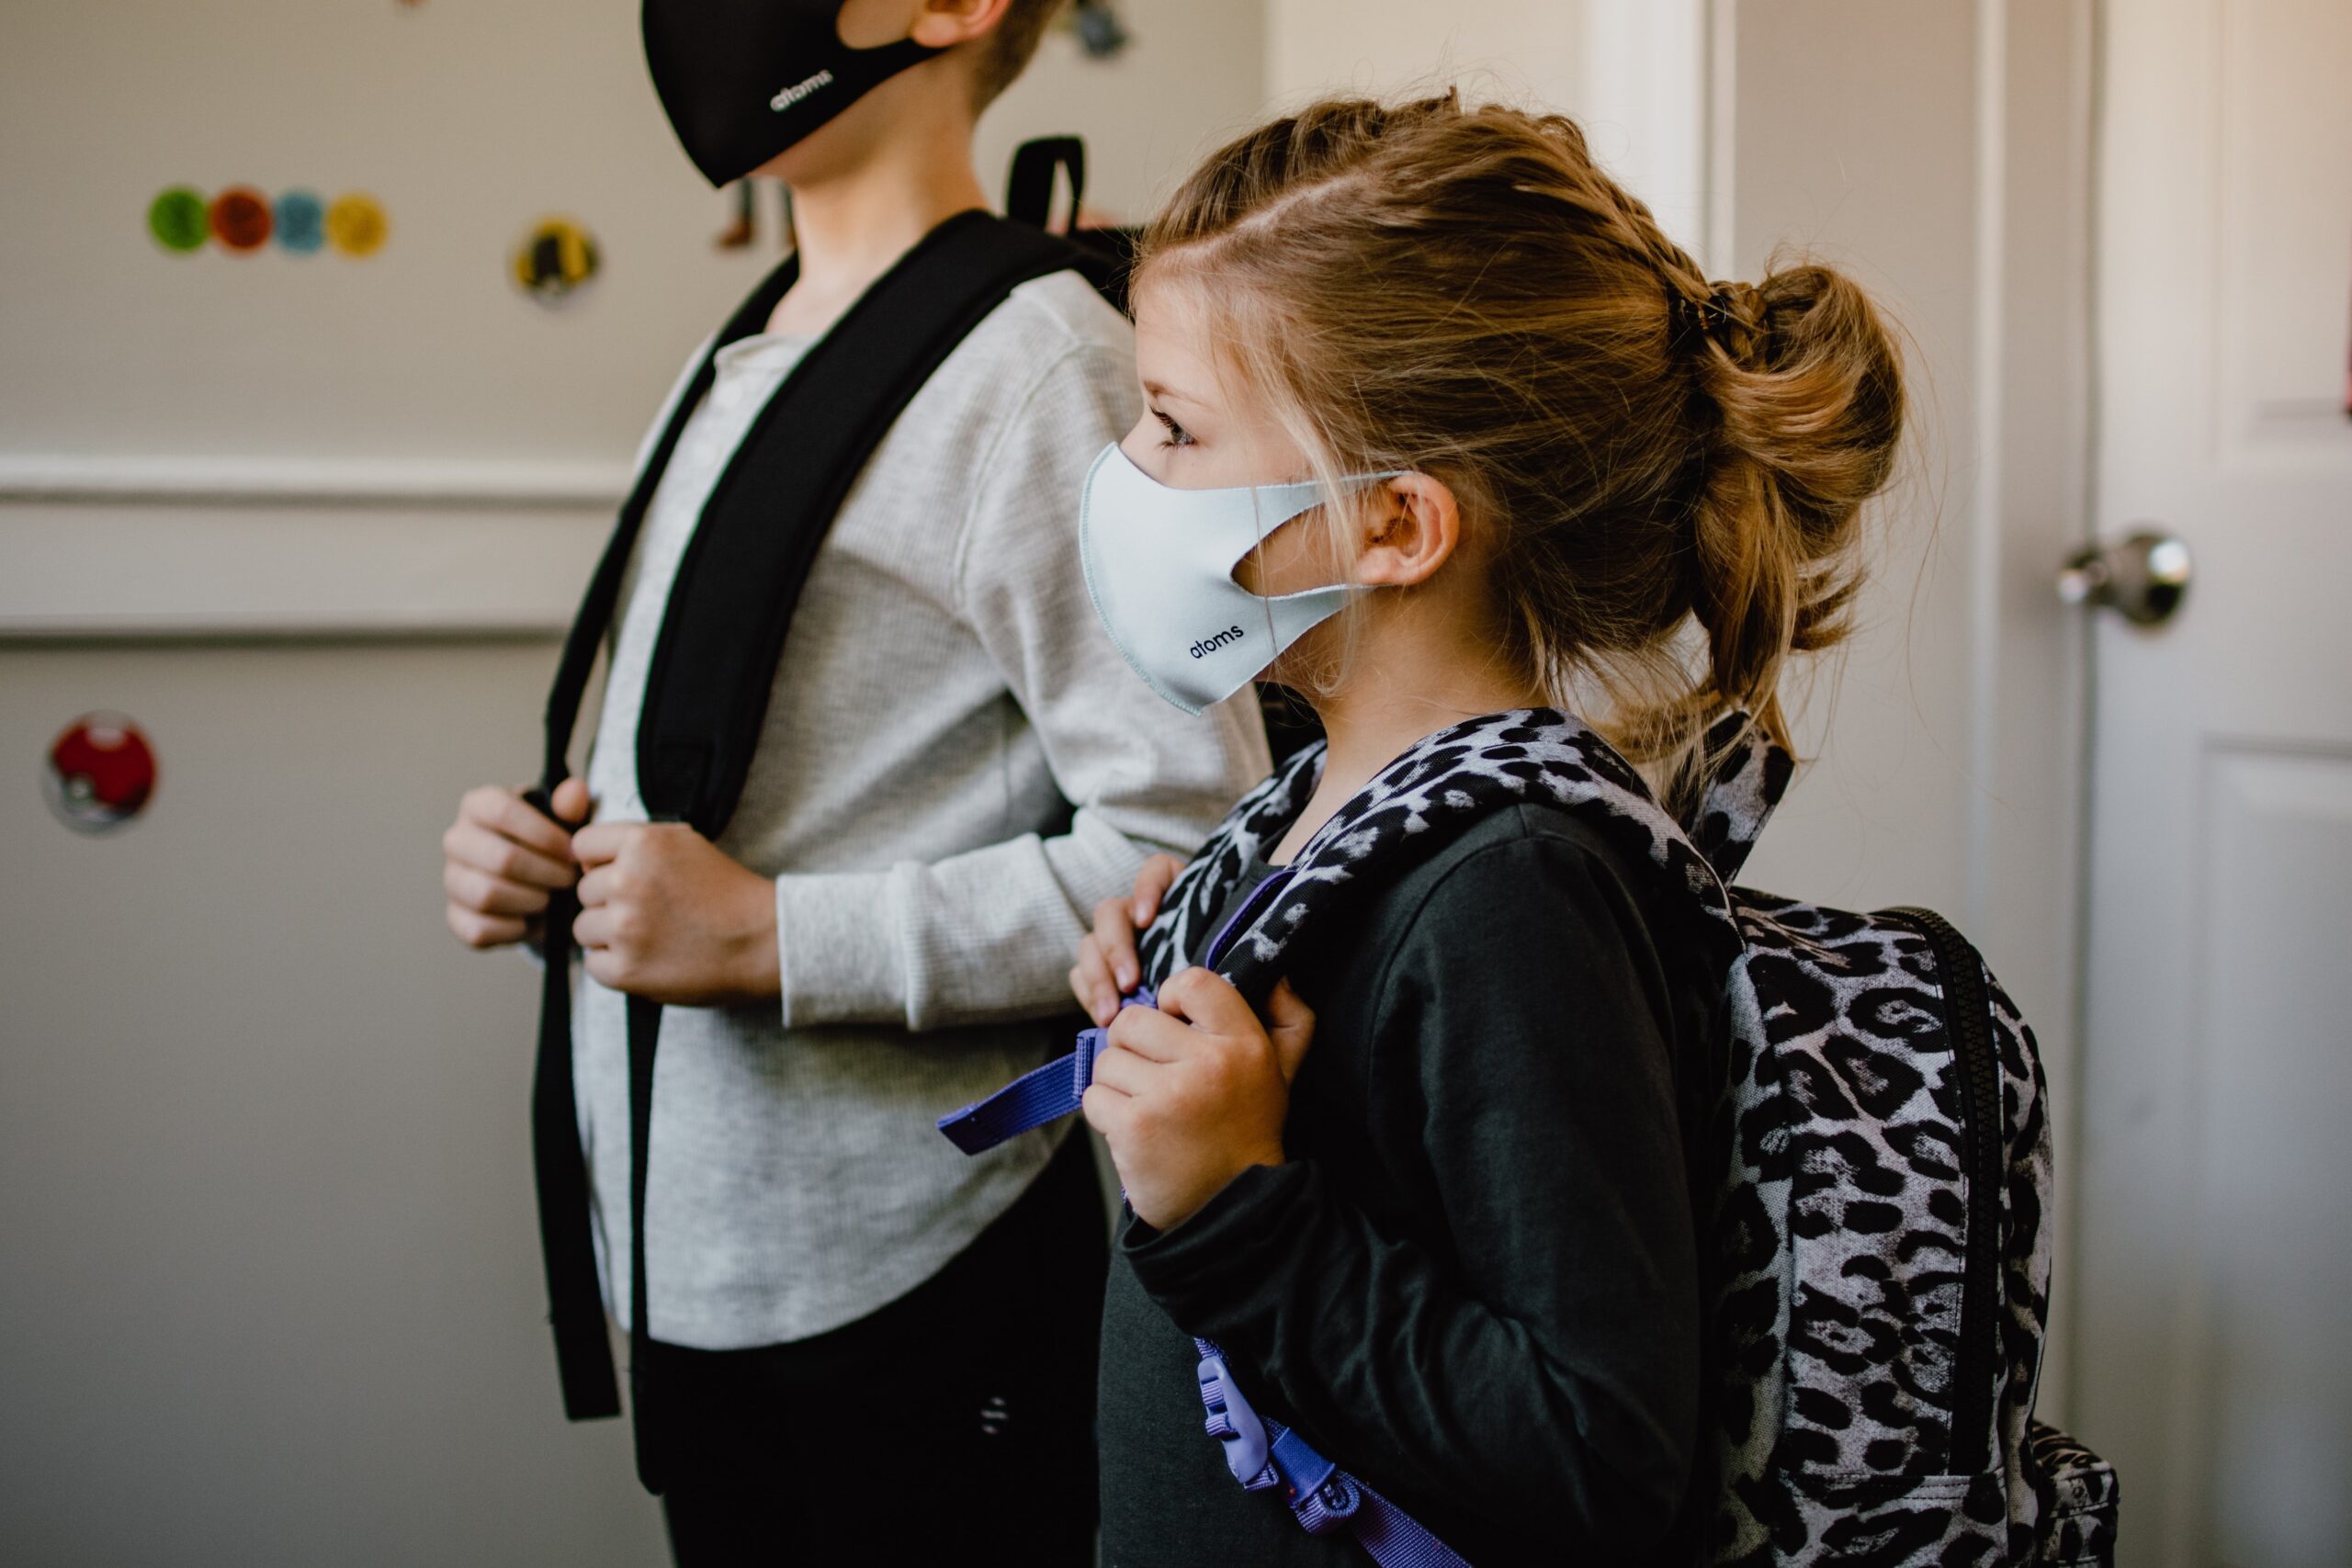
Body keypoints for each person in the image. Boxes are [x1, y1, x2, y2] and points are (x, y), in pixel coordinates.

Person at [437, 2, 1268, 1561]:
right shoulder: (740, 348)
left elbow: (1196, 845)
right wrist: (547, 847)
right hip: (691, 1257)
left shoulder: (1037, 368)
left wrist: (772, 938)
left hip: (911, 1267)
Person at [1065, 94, 1905, 1565]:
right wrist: (1193, 946)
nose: (1126, 469)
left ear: (1396, 524)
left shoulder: (1513, 892)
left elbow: (1596, 1457)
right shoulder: (1337, 800)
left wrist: (1237, 1210)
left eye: (1175, 426)